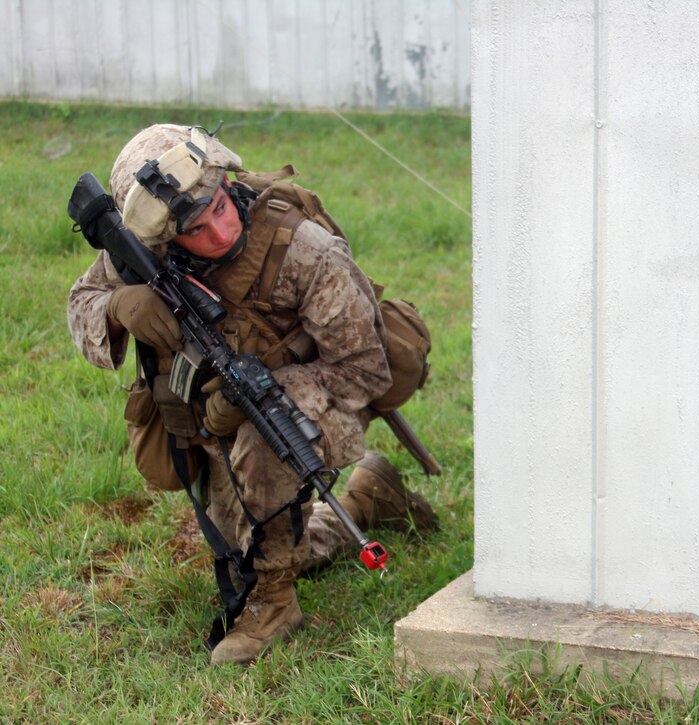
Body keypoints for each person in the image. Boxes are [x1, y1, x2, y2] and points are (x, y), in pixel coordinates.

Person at [67, 123, 437, 666]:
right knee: (257, 545)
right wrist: (118, 307)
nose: (220, 231)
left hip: (312, 405)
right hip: (212, 421)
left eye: (220, 206)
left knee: (266, 464)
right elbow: (82, 302)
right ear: (162, 238)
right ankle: (369, 497)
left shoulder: (304, 251)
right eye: (196, 227)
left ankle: (274, 602)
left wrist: (264, 391)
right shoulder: (141, 252)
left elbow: (364, 369)